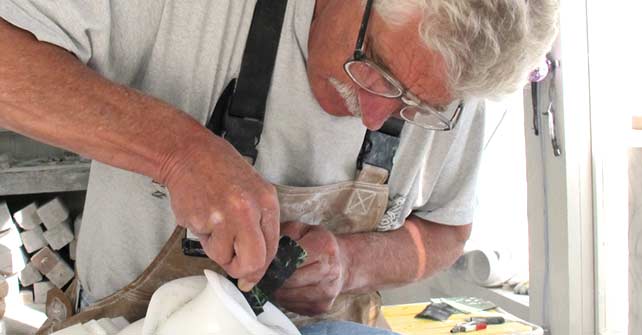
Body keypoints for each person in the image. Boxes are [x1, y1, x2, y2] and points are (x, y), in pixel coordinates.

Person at [0, 0, 558, 333]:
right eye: (377, 70)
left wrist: (351, 262)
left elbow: (447, 229)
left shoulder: (458, 89)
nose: (374, 114)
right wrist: (177, 152)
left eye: (417, 105)